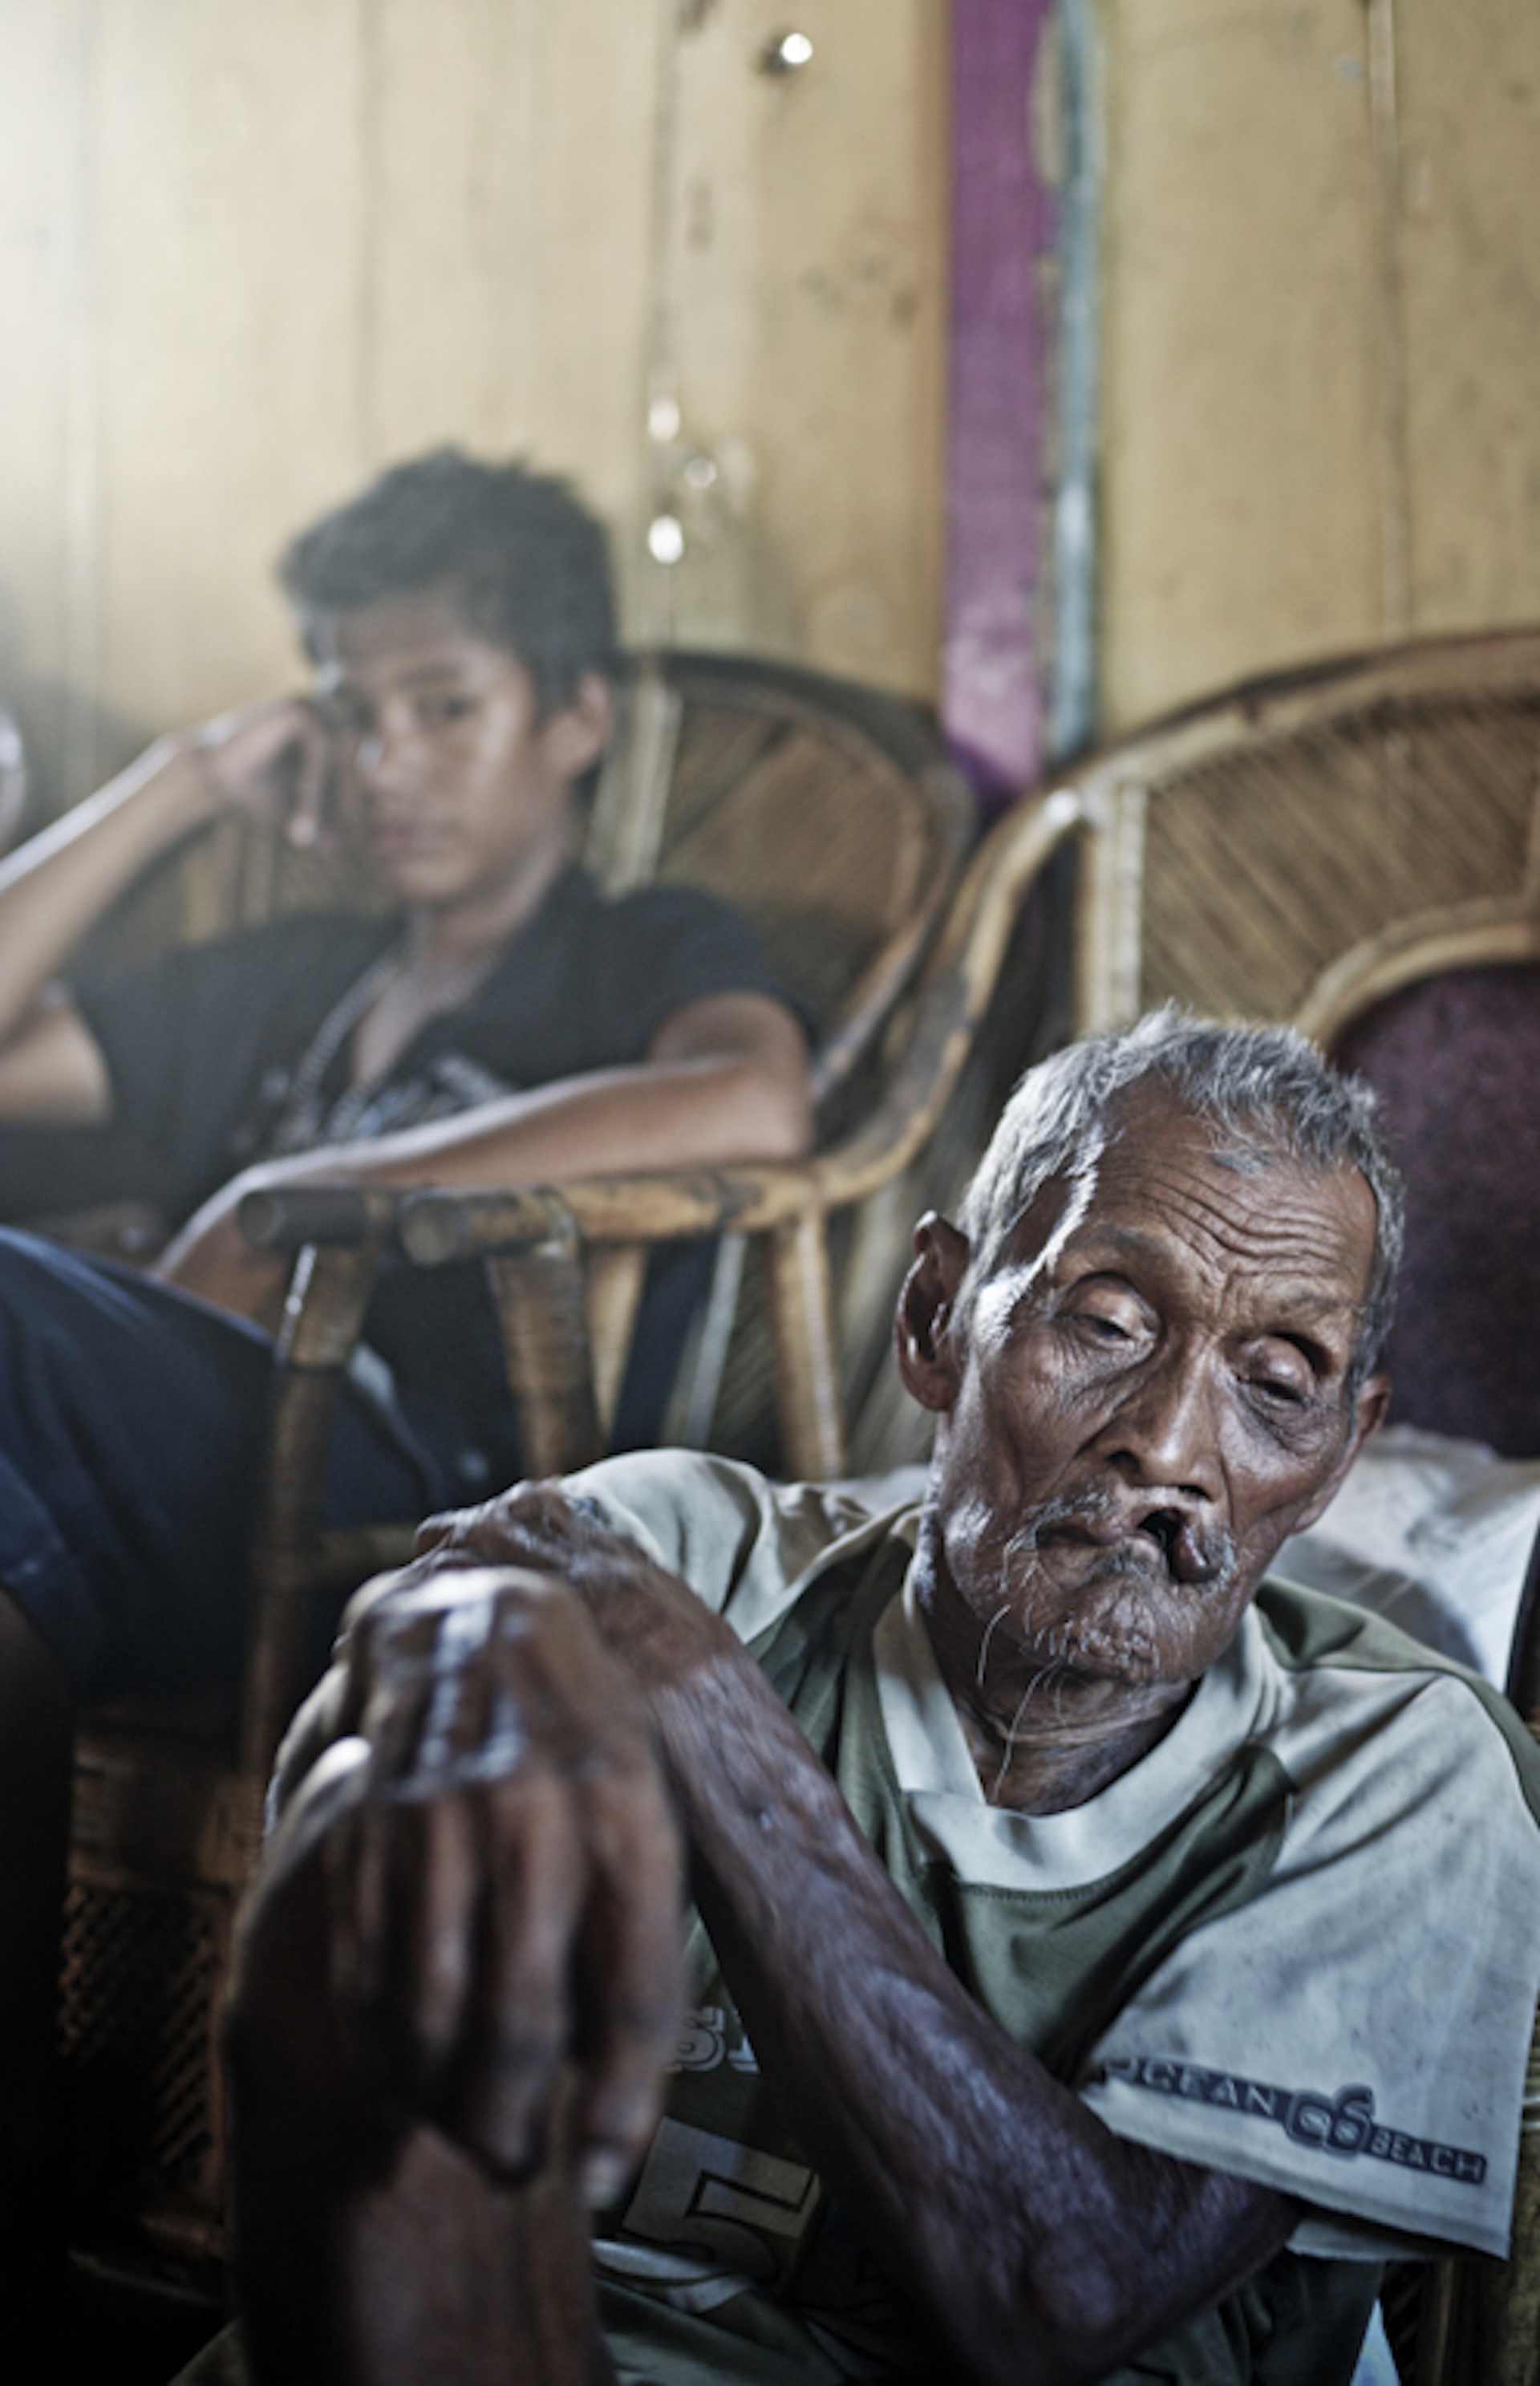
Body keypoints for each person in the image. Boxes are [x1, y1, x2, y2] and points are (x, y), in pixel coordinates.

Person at [212, 1011, 1540, 2386]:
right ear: (935, 1319)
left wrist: (707, 1711)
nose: (1171, 1444)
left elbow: (1067, 2290)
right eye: (1107, 1321)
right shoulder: (682, 1552)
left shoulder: (1404, 1771)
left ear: (1333, 1463)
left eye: (1276, 1386)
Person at [0, 450, 809, 2335]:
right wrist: (188, 777)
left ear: (576, 716)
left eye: (448, 708)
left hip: (396, 1493)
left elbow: (749, 1100)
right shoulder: (291, 976)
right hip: (137, 1484)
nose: (391, 764)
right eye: (352, 717)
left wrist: (309, 1197)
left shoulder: (630, 946)